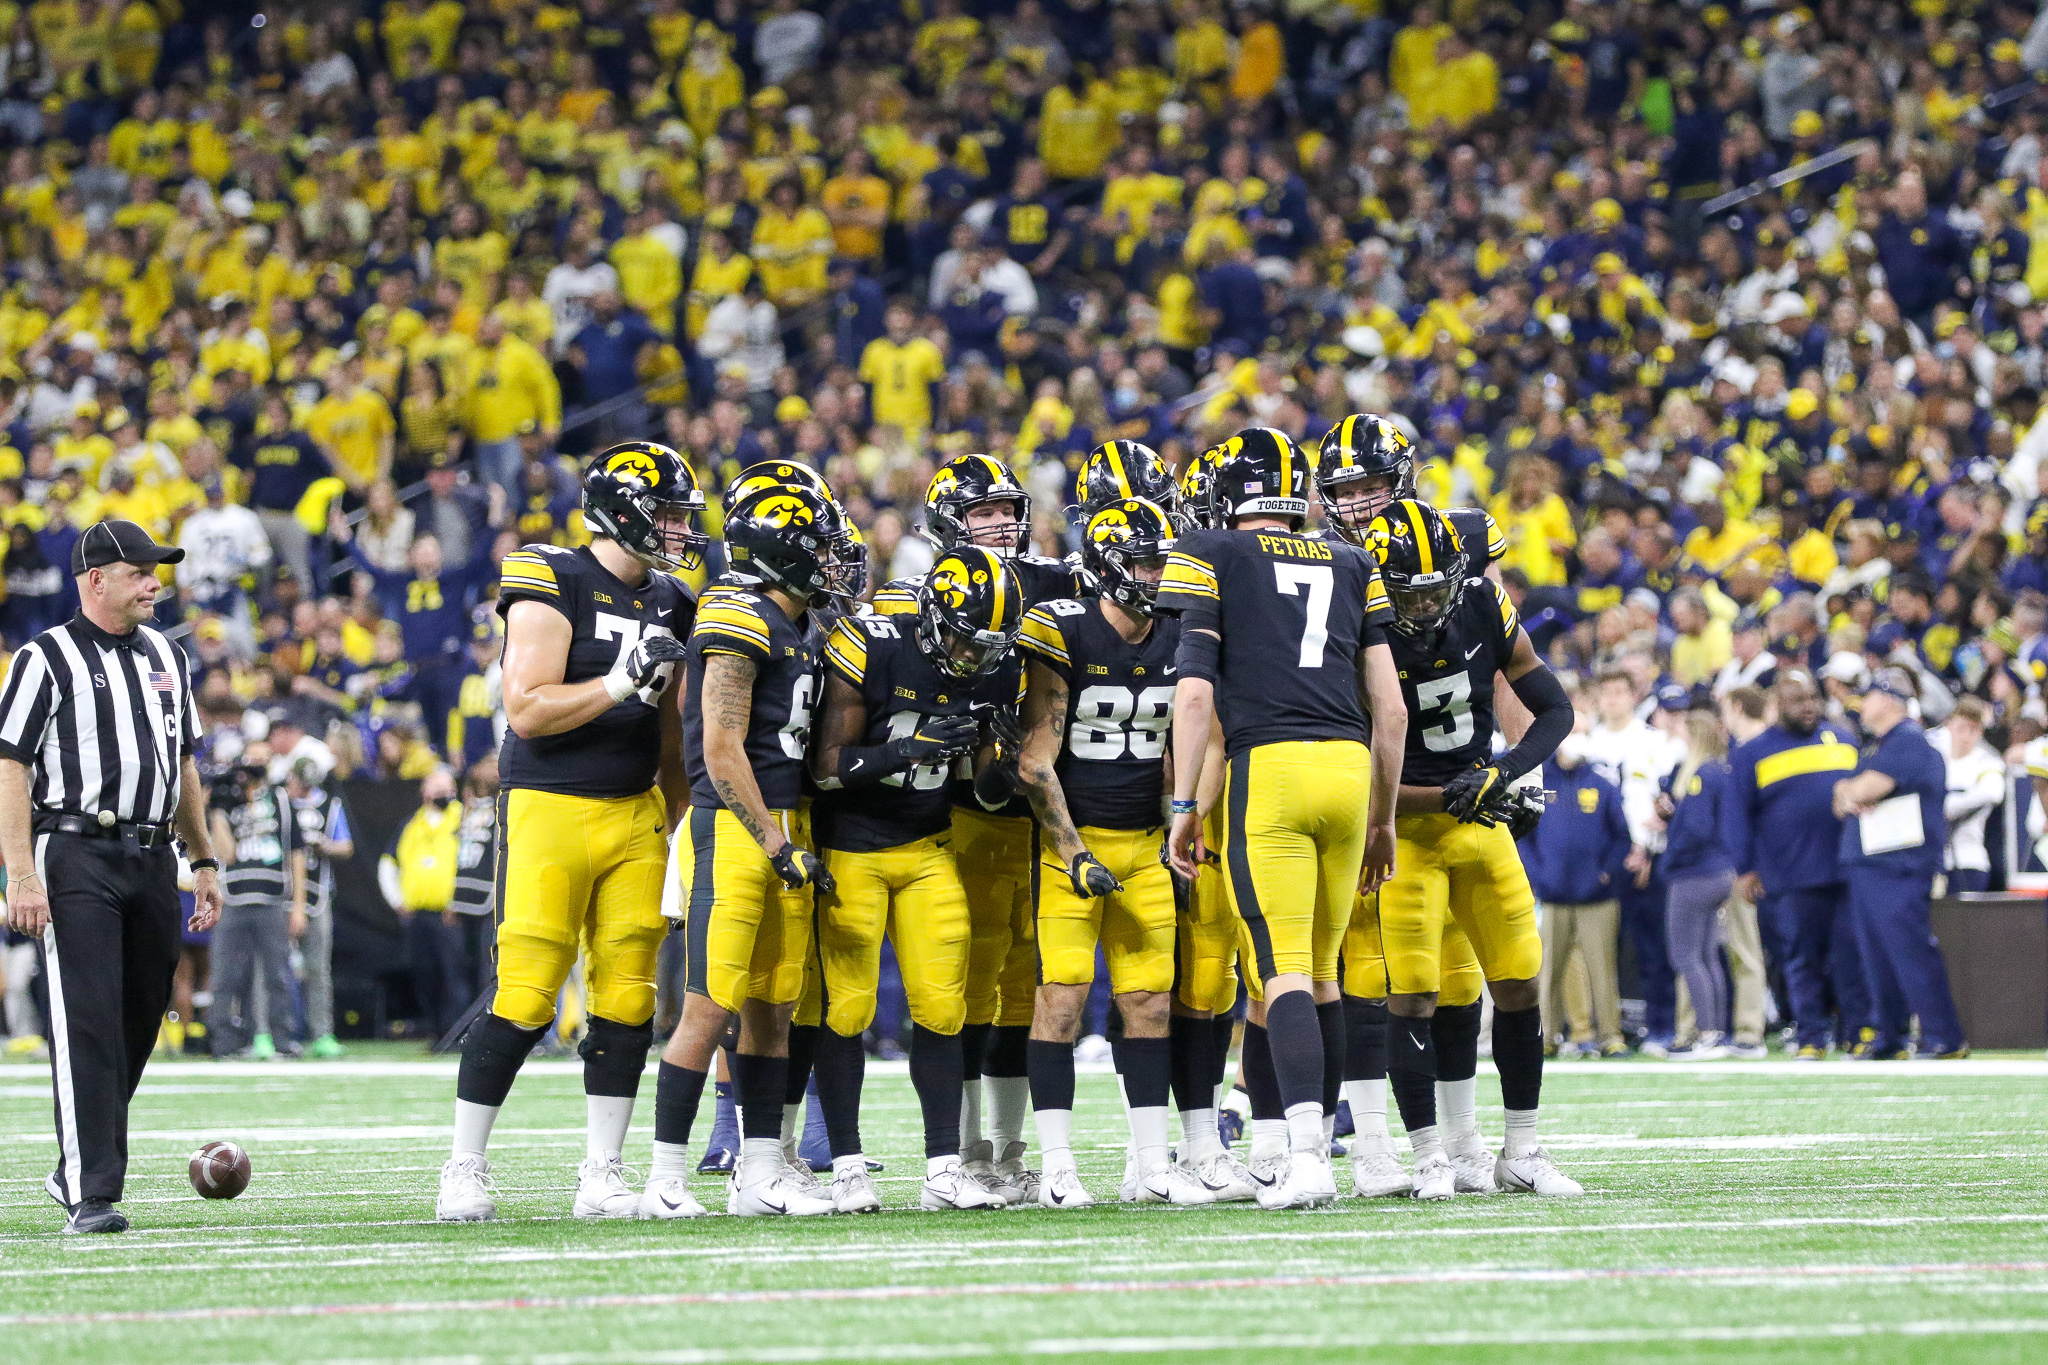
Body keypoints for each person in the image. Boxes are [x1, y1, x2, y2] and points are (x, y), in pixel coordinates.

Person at [435, 442, 703, 1223]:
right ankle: (464, 1165)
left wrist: (681, 828)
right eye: (667, 513)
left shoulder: (672, 599)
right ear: (621, 512)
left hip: (635, 810)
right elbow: (526, 708)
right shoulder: (551, 574)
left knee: (628, 995)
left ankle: (602, 1172)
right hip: (549, 802)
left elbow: (668, 737)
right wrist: (619, 680)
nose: (680, 529)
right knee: (526, 992)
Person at [1159, 427, 1409, 1210]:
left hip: (1269, 768)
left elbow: (1195, 697)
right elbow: (1391, 709)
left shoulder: (1211, 549)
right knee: (1325, 974)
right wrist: (1383, 819)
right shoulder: (1352, 560)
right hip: (1349, 768)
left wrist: (1184, 805)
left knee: (1282, 971)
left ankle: (1304, 1158)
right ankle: (1308, 1146)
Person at [1346, 498, 1579, 1199]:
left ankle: (1523, 1148)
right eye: (1409, 592)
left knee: (1519, 979)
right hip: (1403, 835)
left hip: (1478, 820)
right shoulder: (1355, 626)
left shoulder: (1481, 599)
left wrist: (1502, 773)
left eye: (1435, 588)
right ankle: (1428, 1156)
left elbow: (1556, 709)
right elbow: (1354, 769)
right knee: (1413, 993)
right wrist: (1449, 796)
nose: (1424, 605)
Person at [869, 454, 1085, 1199]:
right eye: (982, 511)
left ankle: (1008, 1152)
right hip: (960, 810)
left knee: (1023, 985)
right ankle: (961, 1150)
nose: (1000, 523)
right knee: (964, 982)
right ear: (946, 522)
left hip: (1039, 810)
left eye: (1006, 510)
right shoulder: (914, 597)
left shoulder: (1056, 582)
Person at [643, 479, 860, 1220]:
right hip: (735, 829)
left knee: (775, 1005)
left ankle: (761, 1170)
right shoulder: (738, 614)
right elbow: (720, 746)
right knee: (709, 1005)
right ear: (782, 554)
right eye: (820, 548)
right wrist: (773, 840)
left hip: (784, 828)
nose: (832, 561)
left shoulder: (800, 625)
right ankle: (665, 1178)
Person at [0, 519, 224, 1234]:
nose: (155, 583)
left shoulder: (167, 655)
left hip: (153, 853)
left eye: (156, 571)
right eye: (140, 572)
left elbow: (183, 765)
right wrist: (19, 872)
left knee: (142, 1010)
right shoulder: (44, 657)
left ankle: (79, 1154)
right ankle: (90, 1189)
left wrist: (203, 859)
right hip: (75, 849)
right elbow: (10, 764)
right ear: (95, 579)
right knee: (88, 1016)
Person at [1014, 497, 1223, 1208]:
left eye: (1162, 562)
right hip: (1072, 845)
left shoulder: (1180, 634)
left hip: (1145, 844)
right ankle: (1057, 1165)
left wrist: (1184, 818)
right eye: (1144, 563)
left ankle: (1151, 1165)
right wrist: (1073, 852)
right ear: (1106, 567)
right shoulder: (1066, 629)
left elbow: (1198, 745)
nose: (1157, 575)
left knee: (1150, 1002)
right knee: (1061, 999)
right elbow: (1035, 761)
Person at [807, 544, 1023, 1212]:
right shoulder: (873, 644)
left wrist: (1003, 758)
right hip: (852, 846)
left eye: (989, 645)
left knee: (943, 1008)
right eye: (966, 639)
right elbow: (825, 767)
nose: (974, 657)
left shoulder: (993, 665)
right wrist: (905, 749)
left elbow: (986, 794)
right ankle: (846, 1165)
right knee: (848, 1008)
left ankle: (943, 1168)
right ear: (932, 617)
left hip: (928, 846)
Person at [1724, 670, 1871, 1058]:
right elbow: (1736, 815)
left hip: (1845, 870)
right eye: (1797, 700)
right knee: (1801, 959)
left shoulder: (1844, 739)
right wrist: (1745, 869)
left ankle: (1858, 1032)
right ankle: (1811, 1035)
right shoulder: (1752, 752)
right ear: (1777, 705)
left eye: (1812, 698)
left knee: (1851, 957)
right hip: (1788, 876)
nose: (1808, 707)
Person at [1831, 671, 1969, 1059]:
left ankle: (1943, 1036)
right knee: (1877, 956)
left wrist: (1853, 791)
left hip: (1898, 866)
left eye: (1870, 696)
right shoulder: (1878, 746)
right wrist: (1849, 792)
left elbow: (1864, 788)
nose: (1863, 704)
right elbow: (1840, 795)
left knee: (1909, 951)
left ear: (1890, 699)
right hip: (1873, 864)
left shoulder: (1907, 740)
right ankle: (1890, 1036)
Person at [1525, 720, 1633, 1058]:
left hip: (1597, 899)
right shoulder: (1539, 782)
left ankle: (1610, 1036)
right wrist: (1539, 875)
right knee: (1547, 971)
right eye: (1573, 733)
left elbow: (1622, 837)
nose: (1578, 740)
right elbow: (1523, 835)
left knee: (1603, 971)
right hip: (1552, 897)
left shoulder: (1602, 784)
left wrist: (1605, 872)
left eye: (1583, 733)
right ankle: (1545, 1036)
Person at [209, 744, 307, 1059]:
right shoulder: (229, 801)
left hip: (272, 899)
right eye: (251, 761)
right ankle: (226, 1041)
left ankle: (283, 1039)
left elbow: (296, 854)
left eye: (261, 761)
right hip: (234, 898)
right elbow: (226, 853)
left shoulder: (281, 800)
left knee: (278, 974)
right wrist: (217, 811)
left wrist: (299, 906)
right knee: (226, 974)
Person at [1656, 709, 1736, 1060]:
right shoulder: (1719, 771)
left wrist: (1670, 854)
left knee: (1686, 955)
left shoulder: (1700, 775)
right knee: (1706, 955)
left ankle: (1707, 1033)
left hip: (1695, 874)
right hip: (1718, 871)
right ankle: (1714, 1031)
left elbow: (1697, 828)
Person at [380, 767, 468, 1039]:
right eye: (438, 788)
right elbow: (388, 863)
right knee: (425, 974)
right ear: (424, 792)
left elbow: (473, 863)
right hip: (418, 914)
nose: (444, 794)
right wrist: (397, 901)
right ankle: (437, 1032)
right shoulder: (411, 825)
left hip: (450, 913)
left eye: (448, 788)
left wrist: (460, 901)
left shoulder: (464, 820)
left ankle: (457, 1033)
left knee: (454, 974)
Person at [285, 755, 351, 1060]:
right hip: (281, 893)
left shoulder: (329, 805)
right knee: (274, 969)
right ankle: (276, 1031)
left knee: (318, 969)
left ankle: (321, 1032)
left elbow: (346, 846)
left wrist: (322, 844)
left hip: (317, 893)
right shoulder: (280, 804)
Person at [1931, 696, 2003, 895]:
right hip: (1933, 859)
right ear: (1949, 725)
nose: (1965, 736)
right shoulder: (1935, 757)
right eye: (1961, 728)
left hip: (1967, 859)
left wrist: (1945, 806)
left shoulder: (1986, 761)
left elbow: (1993, 792)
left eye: (1973, 729)